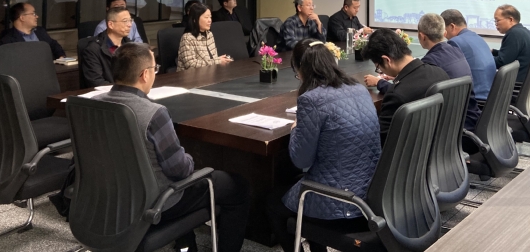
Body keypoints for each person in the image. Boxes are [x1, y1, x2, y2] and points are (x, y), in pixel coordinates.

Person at [95, 43, 250, 252]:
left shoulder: (92, 105)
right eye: (155, 69)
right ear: (144, 74)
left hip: (108, 197)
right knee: (237, 186)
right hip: (157, 201)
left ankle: (186, 244)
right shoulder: (153, 113)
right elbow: (180, 171)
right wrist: (191, 158)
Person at [267, 39, 380, 252]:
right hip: (369, 194)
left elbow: (301, 160)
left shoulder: (311, 100)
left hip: (340, 201)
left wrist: (295, 129)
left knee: (274, 204)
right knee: (303, 184)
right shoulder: (359, 88)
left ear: (302, 69)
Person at [361, 29, 447, 144]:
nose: (380, 71)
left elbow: (383, 142)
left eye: (378, 68)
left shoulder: (396, 95)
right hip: (441, 147)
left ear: (386, 60)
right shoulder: (440, 73)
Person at [416, 13, 480, 130]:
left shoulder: (430, 61)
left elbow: (411, 93)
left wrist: (382, 83)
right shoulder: (456, 51)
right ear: (444, 33)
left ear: (421, 36)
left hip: (452, 128)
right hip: (469, 119)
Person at [441, 9, 496, 102]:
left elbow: (447, 72)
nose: (444, 35)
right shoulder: (477, 37)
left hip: (476, 100)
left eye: (444, 30)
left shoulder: (455, 42)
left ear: (452, 26)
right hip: (490, 97)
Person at [80, 7, 133, 87]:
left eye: (130, 20)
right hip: (108, 93)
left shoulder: (130, 45)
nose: (129, 25)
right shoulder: (93, 49)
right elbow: (96, 82)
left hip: (129, 91)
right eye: (125, 21)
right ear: (111, 24)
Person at [177, 3, 233, 71]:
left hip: (208, 73)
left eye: (210, 17)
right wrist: (217, 61)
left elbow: (213, 58)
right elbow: (191, 65)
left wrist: (221, 60)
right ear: (195, 20)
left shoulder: (209, 34)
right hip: (190, 76)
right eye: (206, 17)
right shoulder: (187, 38)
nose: (210, 20)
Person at [493, 4, 530, 83]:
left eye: (497, 20)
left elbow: (502, 63)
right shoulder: (523, 31)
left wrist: (484, 58)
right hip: (525, 81)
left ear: (510, 19)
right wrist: (493, 52)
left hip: (515, 83)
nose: (496, 24)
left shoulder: (514, 34)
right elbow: (511, 54)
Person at [0, 2, 65, 59]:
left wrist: (61, 57)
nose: (37, 16)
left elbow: (54, 45)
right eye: (33, 14)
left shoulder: (40, 31)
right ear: (22, 17)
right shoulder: (8, 40)